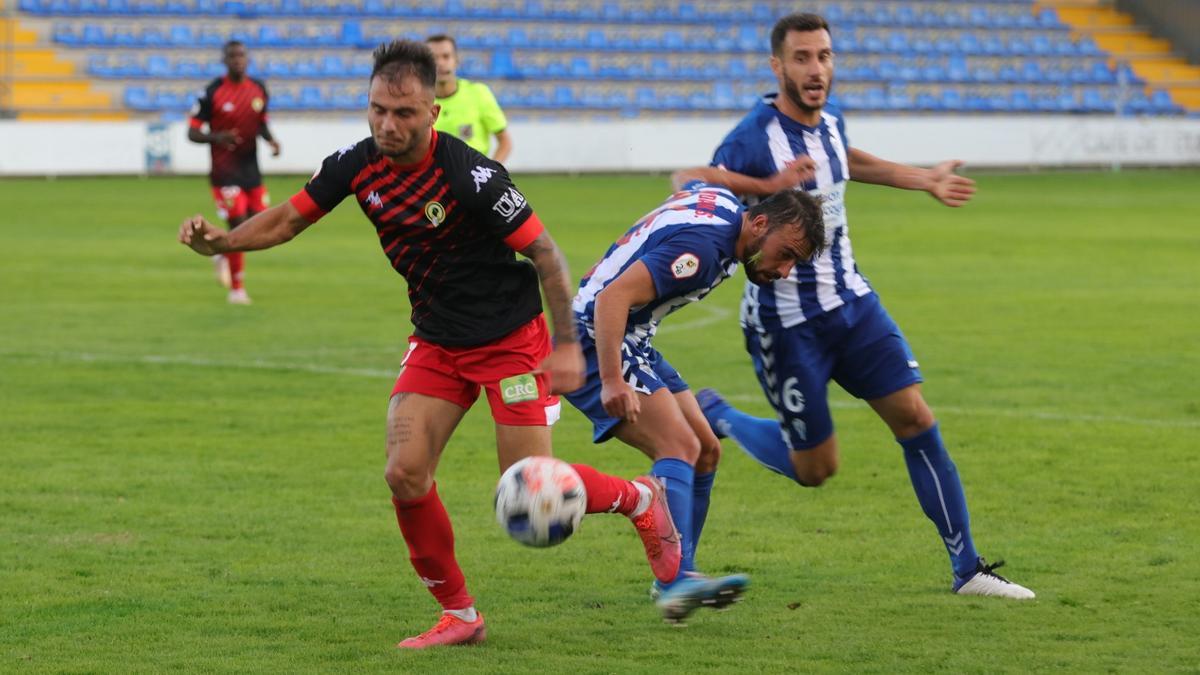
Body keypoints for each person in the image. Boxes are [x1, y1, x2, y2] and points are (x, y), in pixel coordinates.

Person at [179, 40, 682, 649]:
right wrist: (223, 244)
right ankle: (461, 616)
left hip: (510, 343)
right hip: (437, 341)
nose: (388, 125)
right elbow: (288, 217)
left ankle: (640, 497)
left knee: (527, 484)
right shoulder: (354, 165)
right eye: (378, 110)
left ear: (432, 112)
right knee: (404, 471)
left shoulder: (472, 176)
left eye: (405, 113)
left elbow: (545, 253)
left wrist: (568, 347)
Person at [696, 13, 1035, 599]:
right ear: (778, 66)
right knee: (816, 470)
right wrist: (764, 193)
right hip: (787, 325)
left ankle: (968, 570)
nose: (816, 68)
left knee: (917, 419)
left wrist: (923, 178)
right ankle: (719, 415)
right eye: (802, 57)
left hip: (854, 305)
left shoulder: (829, 125)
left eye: (824, 56)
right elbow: (703, 200)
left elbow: (852, 162)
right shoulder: (752, 139)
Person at [563, 169, 826, 623]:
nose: (784, 271)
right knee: (678, 447)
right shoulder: (703, 251)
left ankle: (680, 574)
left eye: (793, 265)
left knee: (705, 451)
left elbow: (686, 176)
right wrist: (611, 381)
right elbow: (611, 300)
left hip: (634, 337)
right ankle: (674, 581)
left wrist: (770, 187)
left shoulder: (723, 203)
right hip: (596, 337)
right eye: (786, 255)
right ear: (760, 225)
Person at [188, 40, 281, 305]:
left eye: (241, 56)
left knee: (258, 222)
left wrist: (271, 140)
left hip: (251, 169)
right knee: (239, 226)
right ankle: (237, 289)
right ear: (225, 61)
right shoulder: (213, 92)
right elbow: (192, 132)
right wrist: (217, 137)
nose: (238, 60)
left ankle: (220, 253)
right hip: (224, 172)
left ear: (247, 59)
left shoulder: (258, 89)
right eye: (232, 56)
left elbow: (261, 122)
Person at [426, 34, 513, 163]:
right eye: (433, 58)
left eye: (446, 56)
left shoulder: (478, 93)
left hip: (472, 177)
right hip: (433, 179)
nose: (440, 63)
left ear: (456, 61)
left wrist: (491, 173)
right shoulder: (417, 100)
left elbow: (505, 141)